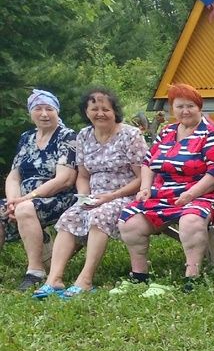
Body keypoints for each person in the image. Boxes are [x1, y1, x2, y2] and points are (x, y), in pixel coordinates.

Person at [118, 83, 214, 292]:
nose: (185, 111)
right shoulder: (168, 132)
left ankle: (192, 277)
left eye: (190, 106)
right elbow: (148, 162)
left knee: (191, 219)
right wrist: (145, 188)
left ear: (199, 107)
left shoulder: (211, 133)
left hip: (207, 193)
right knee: (129, 219)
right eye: (179, 106)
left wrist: (191, 194)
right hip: (165, 193)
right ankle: (139, 274)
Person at [33, 88, 148, 299]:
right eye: (94, 108)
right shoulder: (84, 136)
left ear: (115, 111)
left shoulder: (131, 135)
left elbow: (142, 177)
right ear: (87, 112)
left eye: (106, 109)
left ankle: (85, 279)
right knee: (70, 217)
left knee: (98, 217)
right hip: (95, 197)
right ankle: (54, 280)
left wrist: (110, 197)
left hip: (126, 195)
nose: (100, 113)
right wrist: (84, 198)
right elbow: (83, 175)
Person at [3, 89, 77, 291]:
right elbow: (14, 175)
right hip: (23, 199)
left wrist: (26, 198)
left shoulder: (67, 136)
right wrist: (12, 200)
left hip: (59, 197)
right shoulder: (26, 137)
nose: (44, 114)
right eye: (38, 109)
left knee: (25, 208)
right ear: (30, 113)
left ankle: (35, 271)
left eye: (49, 109)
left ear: (57, 111)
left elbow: (65, 179)